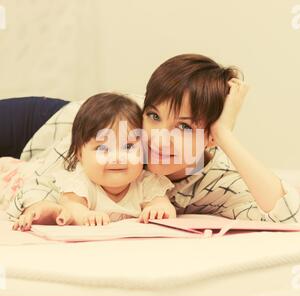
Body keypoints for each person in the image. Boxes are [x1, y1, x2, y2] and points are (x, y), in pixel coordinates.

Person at [7, 54, 300, 227]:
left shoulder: (217, 180)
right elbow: (36, 185)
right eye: (155, 116)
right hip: (43, 123)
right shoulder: (129, 126)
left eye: (183, 127)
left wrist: (225, 134)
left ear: (210, 136)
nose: (158, 138)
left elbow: (289, 218)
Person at [7, 93, 175, 231]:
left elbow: (161, 203)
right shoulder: (80, 180)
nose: (117, 157)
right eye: (103, 148)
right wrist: (85, 216)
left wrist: (159, 210)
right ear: (80, 154)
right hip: (25, 165)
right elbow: (72, 206)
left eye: (128, 146)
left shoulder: (145, 181)